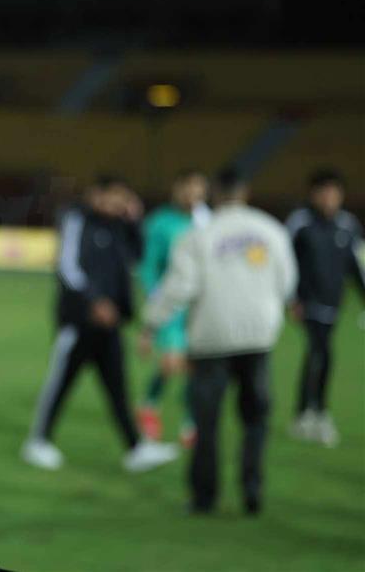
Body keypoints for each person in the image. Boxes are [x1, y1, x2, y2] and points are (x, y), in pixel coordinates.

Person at [142, 169, 297, 515]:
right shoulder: (271, 230)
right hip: (258, 338)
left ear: (214, 195)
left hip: (212, 339)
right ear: (246, 192)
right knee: (255, 419)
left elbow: (178, 287)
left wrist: (151, 323)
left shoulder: (199, 236)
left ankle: (204, 497)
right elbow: (287, 283)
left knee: (206, 421)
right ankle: (252, 491)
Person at [22, 175, 179, 473]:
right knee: (60, 383)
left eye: (123, 198)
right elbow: (67, 266)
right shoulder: (76, 219)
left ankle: (135, 448)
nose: (118, 203)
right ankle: (38, 441)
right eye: (113, 196)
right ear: (96, 195)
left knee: (118, 388)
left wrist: (135, 220)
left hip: (111, 323)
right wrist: (93, 301)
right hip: (79, 321)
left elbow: (137, 256)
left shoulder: (119, 226)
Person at [286, 169, 365, 447]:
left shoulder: (348, 225)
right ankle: (317, 413)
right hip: (308, 303)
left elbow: (358, 266)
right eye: (324, 192)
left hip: (334, 303)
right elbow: (285, 262)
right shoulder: (300, 223)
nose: (329, 198)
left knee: (319, 355)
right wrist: (291, 298)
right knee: (321, 353)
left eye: (334, 192)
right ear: (313, 194)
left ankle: (305, 413)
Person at [137, 169, 209, 447]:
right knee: (170, 363)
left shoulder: (207, 222)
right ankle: (149, 405)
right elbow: (148, 266)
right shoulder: (160, 223)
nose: (193, 195)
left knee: (193, 367)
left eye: (198, 189)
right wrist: (157, 302)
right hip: (171, 305)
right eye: (188, 188)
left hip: (198, 306)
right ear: (177, 189)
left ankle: (190, 423)